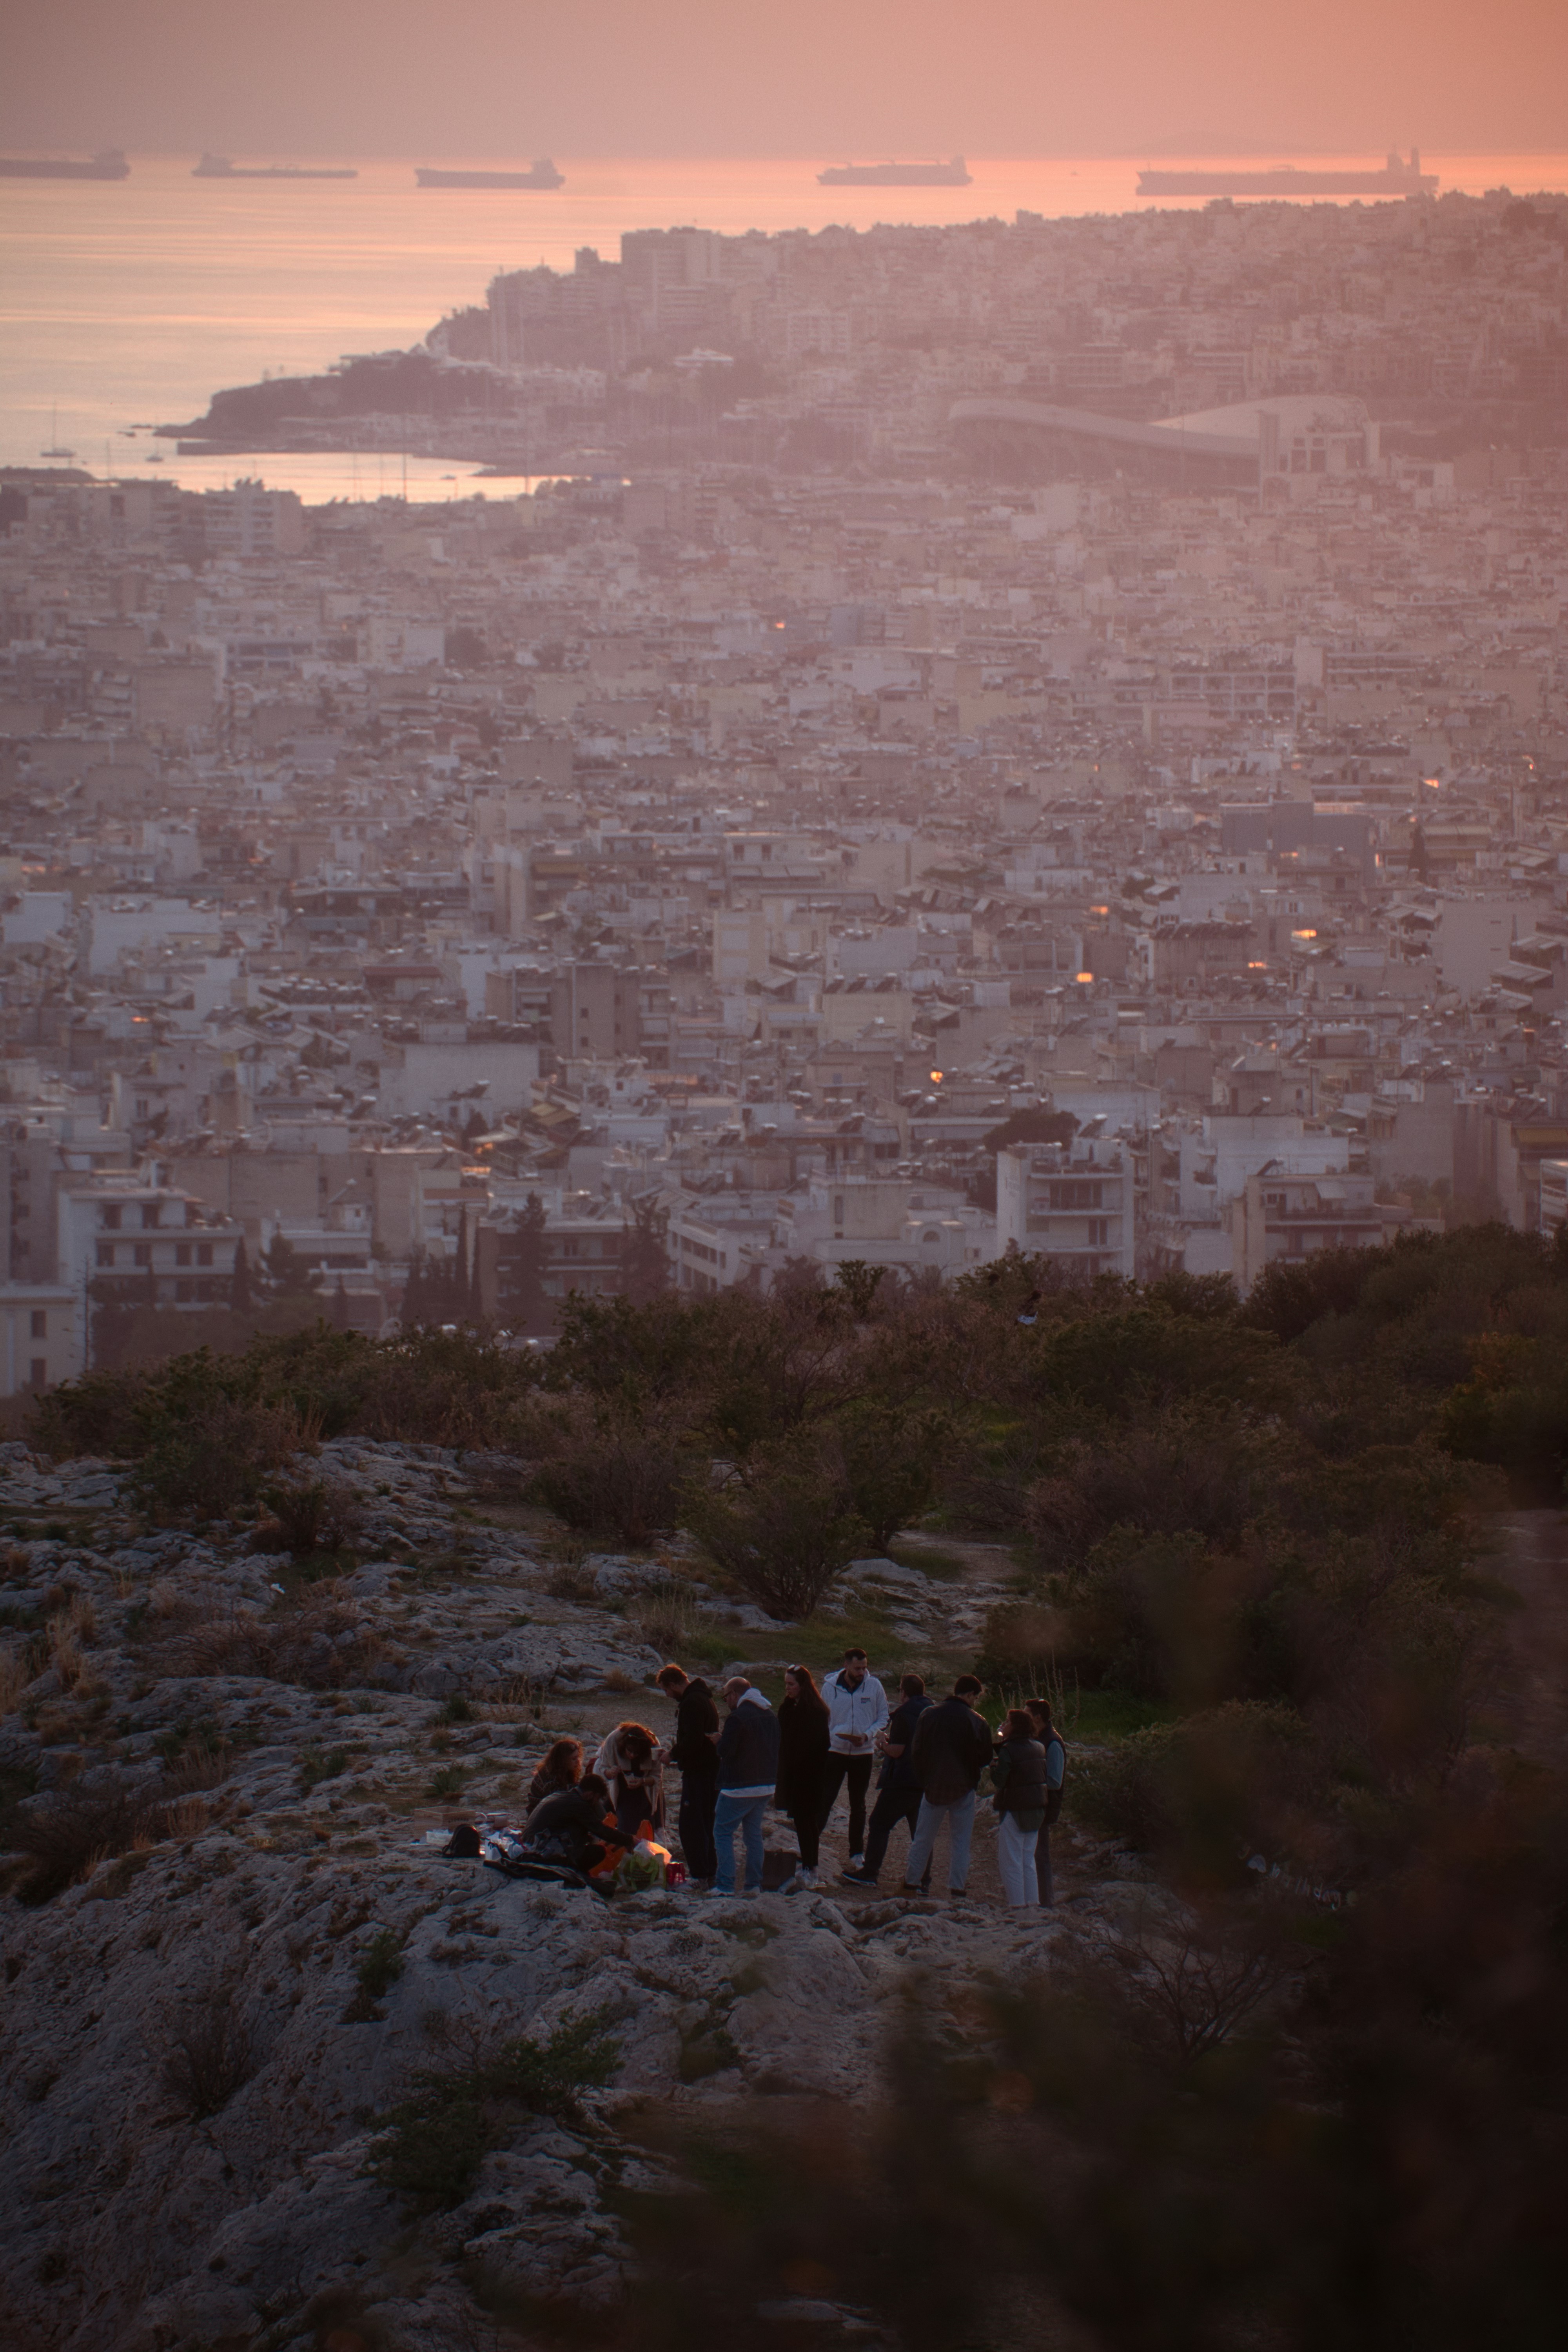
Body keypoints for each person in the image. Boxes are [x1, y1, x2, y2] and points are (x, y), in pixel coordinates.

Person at [902, 1674, 993, 1900]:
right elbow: (985, 1757)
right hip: (964, 1787)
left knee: (923, 1838)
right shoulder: (978, 1721)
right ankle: (957, 1890)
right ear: (971, 1694)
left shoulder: (929, 1714)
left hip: (934, 1785)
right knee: (961, 1842)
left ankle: (912, 1884)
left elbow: (917, 1750)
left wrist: (926, 1778)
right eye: (976, 1697)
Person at [841, 1672, 933, 1889]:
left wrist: (882, 1743)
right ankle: (923, 1881)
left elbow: (899, 1751)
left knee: (879, 1823)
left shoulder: (905, 1715)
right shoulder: (930, 1711)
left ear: (904, 1692)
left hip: (901, 1781)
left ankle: (870, 1872)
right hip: (924, 1780)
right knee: (921, 1834)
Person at [708, 1675, 779, 1898]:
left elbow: (726, 1751)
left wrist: (719, 1741)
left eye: (726, 1696)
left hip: (739, 1786)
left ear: (735, 1694)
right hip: (766, 1785)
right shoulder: (770, 1715)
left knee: (722, 1832)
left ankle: (726, 1885)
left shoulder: (738, 1717)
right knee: (753, 1835)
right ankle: (753, 1884)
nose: (726, 1701)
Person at [818, 1648, 889, 1867]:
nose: (862, 1672)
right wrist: (833, 1736)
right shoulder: (830, 1687)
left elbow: (883, 1717)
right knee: (825, 1800)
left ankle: (857, 1853)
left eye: (864, 1668)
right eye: (858, 1668)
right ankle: (810, 1844)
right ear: (846, 1665)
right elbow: (823, 1718)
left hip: (863, 1753)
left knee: (858, 1805)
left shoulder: (874, 1686)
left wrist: (867, 1735)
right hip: (835, 1752)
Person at [657, 1661, 720, 1886]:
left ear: (674, 1684)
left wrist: (672, 1754)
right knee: (707, 1823)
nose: (667, 1694)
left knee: (691, 1825)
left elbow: (693, 1739)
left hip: (699, 1772)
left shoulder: (692, 1702)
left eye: (666, 1689)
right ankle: (710, 1871)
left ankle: (701, 1874)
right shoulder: (705, 1698)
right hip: (710, 1770)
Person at [775, 1664, 832, 1892]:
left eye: (792, 1685)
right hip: (795, 1774)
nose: (788, 1689)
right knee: (803, 1822)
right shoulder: (791, 1707)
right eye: (786, 1684)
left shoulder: (815, 1712)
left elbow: (819, 1746)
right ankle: (810, 1866)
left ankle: (812, 1867)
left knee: (807, 1823)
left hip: (809, 1776)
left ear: (803, 1686)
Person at [988, 1707, 1050, 1909]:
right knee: (1028, 1860)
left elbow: (1000, 1781)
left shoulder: (1009, 1750)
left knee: (1011, 1861)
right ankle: (1033, 1904)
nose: (1003, 1725)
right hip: (1036, 1809)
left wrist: (994, 1768)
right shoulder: (1039, 1747)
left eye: (1007, 1722)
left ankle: (1017, 1906)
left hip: (1015, 1808)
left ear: (1015, 1727)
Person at [521, 1772, 636, 1877]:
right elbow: (602, 1831)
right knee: (598, 1852)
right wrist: (630, 1840)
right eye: (597, 1799)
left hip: (528, 1844)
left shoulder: (563, 1796)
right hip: (540, 1852)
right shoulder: (579, 1805)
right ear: (591, 1795)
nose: (596, 1804)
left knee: (582, 1834)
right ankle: (575, 1870)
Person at [1024, 1695, 1067, 1906]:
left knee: (1041, 1857)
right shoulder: (1040, 1738)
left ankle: (1047, 1903)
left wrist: (1030, 1779)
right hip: (1036, 1803)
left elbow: (1055, 1781)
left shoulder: (1053, 1743)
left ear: (1038, 1718)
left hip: (1044, 1806)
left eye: (1027, 1714)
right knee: (1032, 1855)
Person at [592, 1720, 665, 1839]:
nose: (632, 1756)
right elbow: (603, 1769)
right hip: (622, 1791)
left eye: (636, 1754)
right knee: (626, 1827)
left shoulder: (653, 1745)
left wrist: (643, 1781)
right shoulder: (613, 1741)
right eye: (629, 1752)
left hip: (645, 1793)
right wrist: (611, 1772)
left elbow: (657, 1777)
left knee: (646, 1829)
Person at [524, 1736, 583, 1817]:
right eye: (574, 1759)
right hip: (541, 1814)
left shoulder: (566, 1772)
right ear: (563, 1760)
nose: (578, 1762)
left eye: (578, 1757)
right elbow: (556, 1798)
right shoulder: (550, 1776)